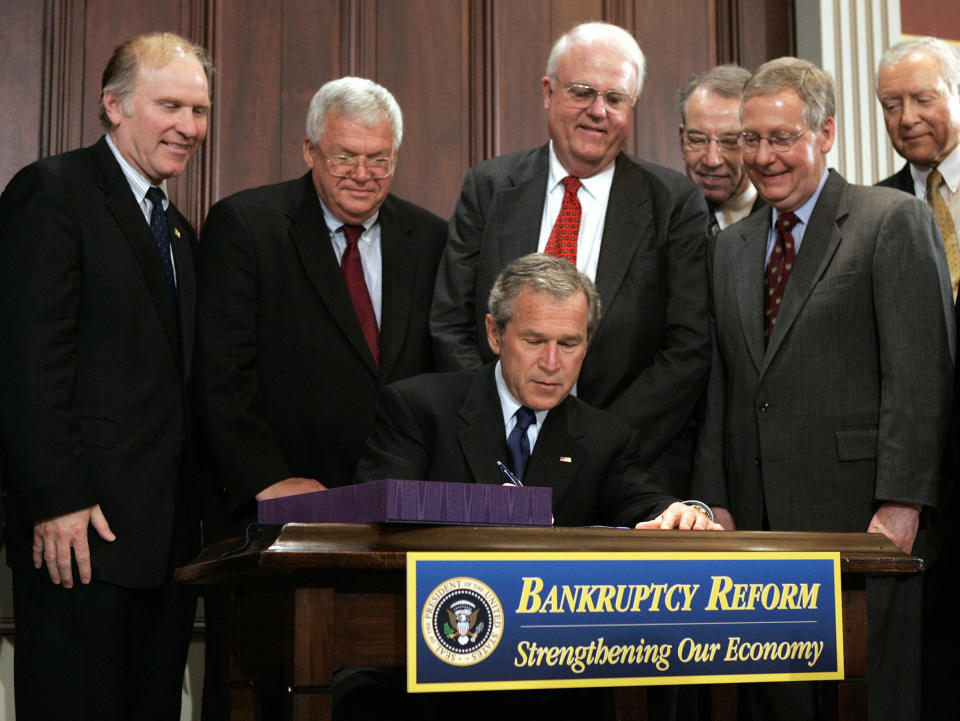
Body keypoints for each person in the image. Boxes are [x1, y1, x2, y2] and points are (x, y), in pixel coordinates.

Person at [691, 57, 955, 721]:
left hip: (861, 522)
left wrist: (901, 504)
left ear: (826, 132)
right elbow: (720, 384)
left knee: (868, 701)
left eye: (782, 138)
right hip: (756, 530)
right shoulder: (731, 245)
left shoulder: (889, 220)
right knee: (773, 704)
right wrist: (717, 499)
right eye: (751, 138)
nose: (763, 156)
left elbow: (919, 374)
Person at [196, 76, 446, 718]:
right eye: (345, 156)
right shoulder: (246, 225)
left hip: (396, 524)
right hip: (277, 521)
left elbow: (441, 378)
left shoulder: (431, 237)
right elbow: (221, 375)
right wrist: (266, 479)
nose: (363, 173)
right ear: (310, 151)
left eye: (379, 158)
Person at [0, 32, 211, 720]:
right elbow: (28, 358)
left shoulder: (179, 230)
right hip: (78, 540)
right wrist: (56, 495)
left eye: (200, 110)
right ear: (114, 106)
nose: (189, 127)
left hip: (164, 554)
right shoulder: (54, 192)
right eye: (171, 106)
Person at [430, 22, 710, 492]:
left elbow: (687, 348)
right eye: (582, 92)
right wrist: (497, 423)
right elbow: (450, 323)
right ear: (548, 91)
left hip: (623, 468)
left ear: (632, 106)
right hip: (488, 465)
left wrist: (595, 443)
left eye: (615, 98)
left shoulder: (674, 202)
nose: (598, 111)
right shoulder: (490, 186)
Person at [360, 253, 720, 533]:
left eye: (568, 344)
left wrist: (684, 513)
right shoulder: (418, 408)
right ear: (495, 334)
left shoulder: (605, 438)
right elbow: (375, 510)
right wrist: (480, 507)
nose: (552, 362)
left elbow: (646, 502)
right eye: (534, 341)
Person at [875, 35, 960, 720]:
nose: (906, 118)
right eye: (891, 104)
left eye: (922, 99)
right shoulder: (871, 214)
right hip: (916, 492)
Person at [678, 64, 761, 237]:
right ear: (682, 139)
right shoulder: (660, 216)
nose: (712, 160)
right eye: (697, 140)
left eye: (730, 142)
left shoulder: (781, 221)